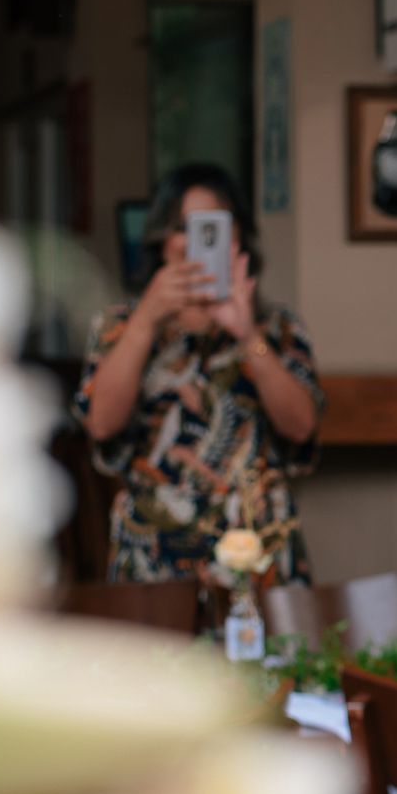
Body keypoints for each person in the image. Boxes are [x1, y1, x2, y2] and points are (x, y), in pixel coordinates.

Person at [72, 162, 323, 583]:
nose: (194, 244)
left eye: (212, 228)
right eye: (182, 228)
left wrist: (247, 335)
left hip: (259, 556)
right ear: (161, 241)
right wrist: (146, 321)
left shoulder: (279, 329)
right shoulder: (120, 325)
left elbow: (301, 428)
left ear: (238, 237)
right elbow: (101, 424)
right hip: (155, 558)